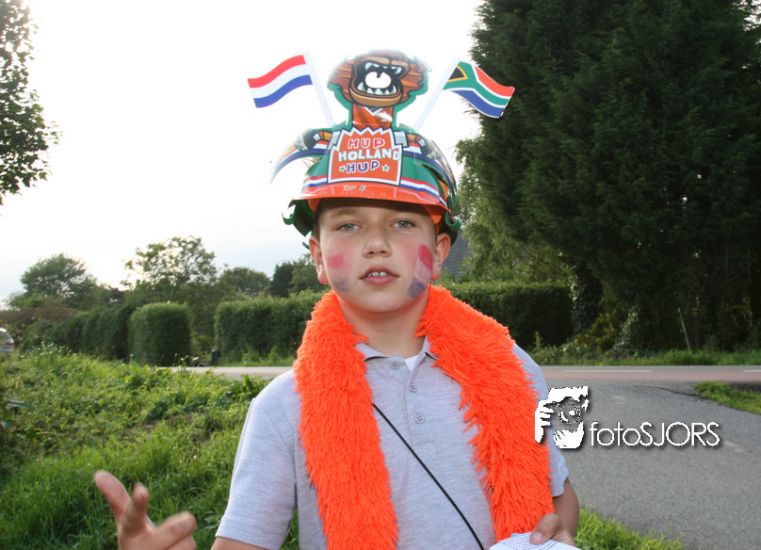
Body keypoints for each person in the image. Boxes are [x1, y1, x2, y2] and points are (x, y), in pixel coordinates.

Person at [96, 50, 579, 550]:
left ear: (438, 253)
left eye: (402, 222)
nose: (376, 243)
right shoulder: (283, 408)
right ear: (319, 257)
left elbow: (559, 497)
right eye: (348, 225)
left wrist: (557, 530)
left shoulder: (514, 370)